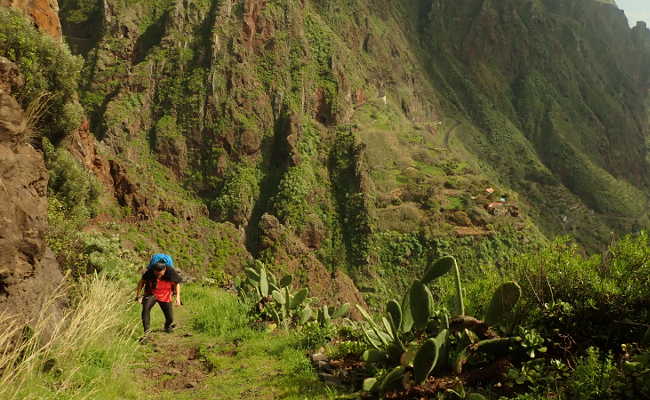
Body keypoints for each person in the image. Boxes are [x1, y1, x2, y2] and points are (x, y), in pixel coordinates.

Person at [135, 261, 183, 334]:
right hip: (151, 294)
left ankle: (167, 326)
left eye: (160, 274)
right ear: (154, 270)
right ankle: (146, 332)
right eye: (156, 274)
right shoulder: (150, 272)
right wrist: (138, 295)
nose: (158, 276)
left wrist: (178, 298)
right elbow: (141, 282)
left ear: (164, 270)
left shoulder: (170, 272)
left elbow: (177, 284)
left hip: (165, 295)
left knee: (170, 318)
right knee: (145, 309)